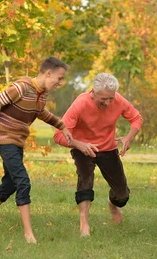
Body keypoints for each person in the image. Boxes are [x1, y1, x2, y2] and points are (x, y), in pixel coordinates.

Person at [0, 56, 73, 243]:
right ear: (48, 73)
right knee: (23, 181)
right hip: (4, 138)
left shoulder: (41, 94)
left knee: (11, 183)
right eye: (59, 77)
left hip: (17, 141)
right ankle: (29, 234)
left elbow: (41, 113)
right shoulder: (21, 87)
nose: (60, 82)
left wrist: (62, 126)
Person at [54, 73, 142, 236]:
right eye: (104, 99)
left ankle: (113, 204)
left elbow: (136, 118)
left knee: (122, 195)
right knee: (85, 179)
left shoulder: (118, 100)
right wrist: (79, 144)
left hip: (108, 148)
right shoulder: (80, 104)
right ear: (93, 93)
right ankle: (84, 223)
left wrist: (129, 138)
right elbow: (58, 135)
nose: (108, 103)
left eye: (111, 98)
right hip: (82, 148)